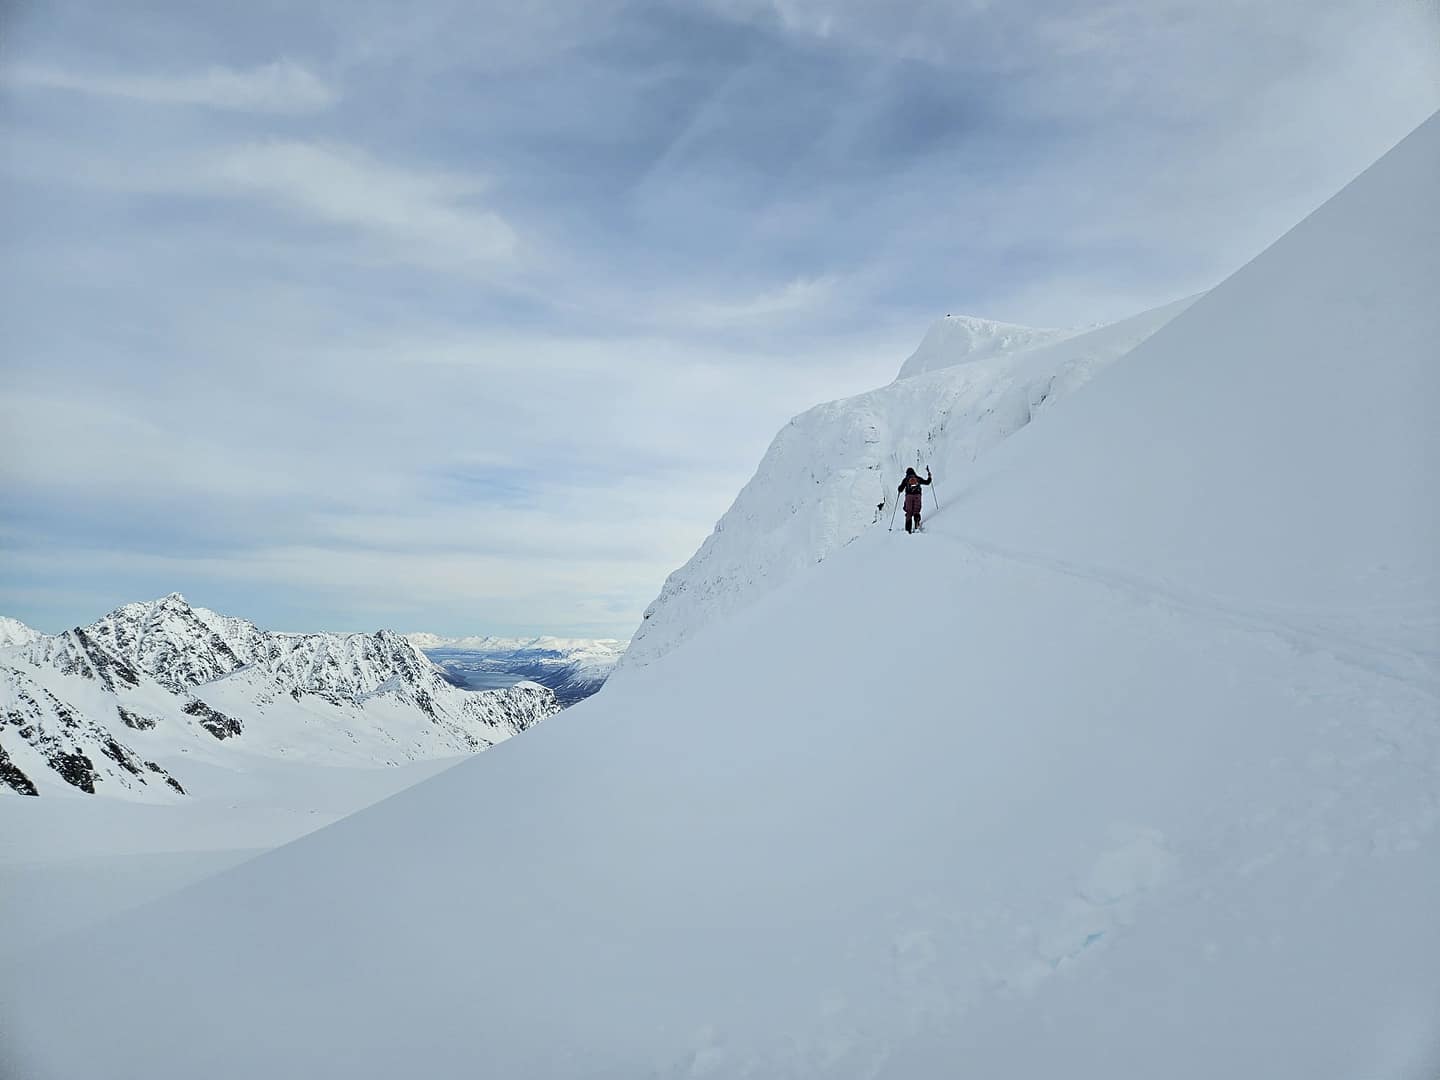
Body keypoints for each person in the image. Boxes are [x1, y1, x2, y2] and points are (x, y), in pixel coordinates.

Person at [897, 466, 932, 533]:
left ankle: (908, 530)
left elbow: (900, 489)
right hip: (917, 496)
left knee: (909, 513)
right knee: (916, 511)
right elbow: (927, 482)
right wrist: (929, 477)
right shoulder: (918, 478)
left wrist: (899, 488)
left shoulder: (906, 479)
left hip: (909, 497)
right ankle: (917, 524)